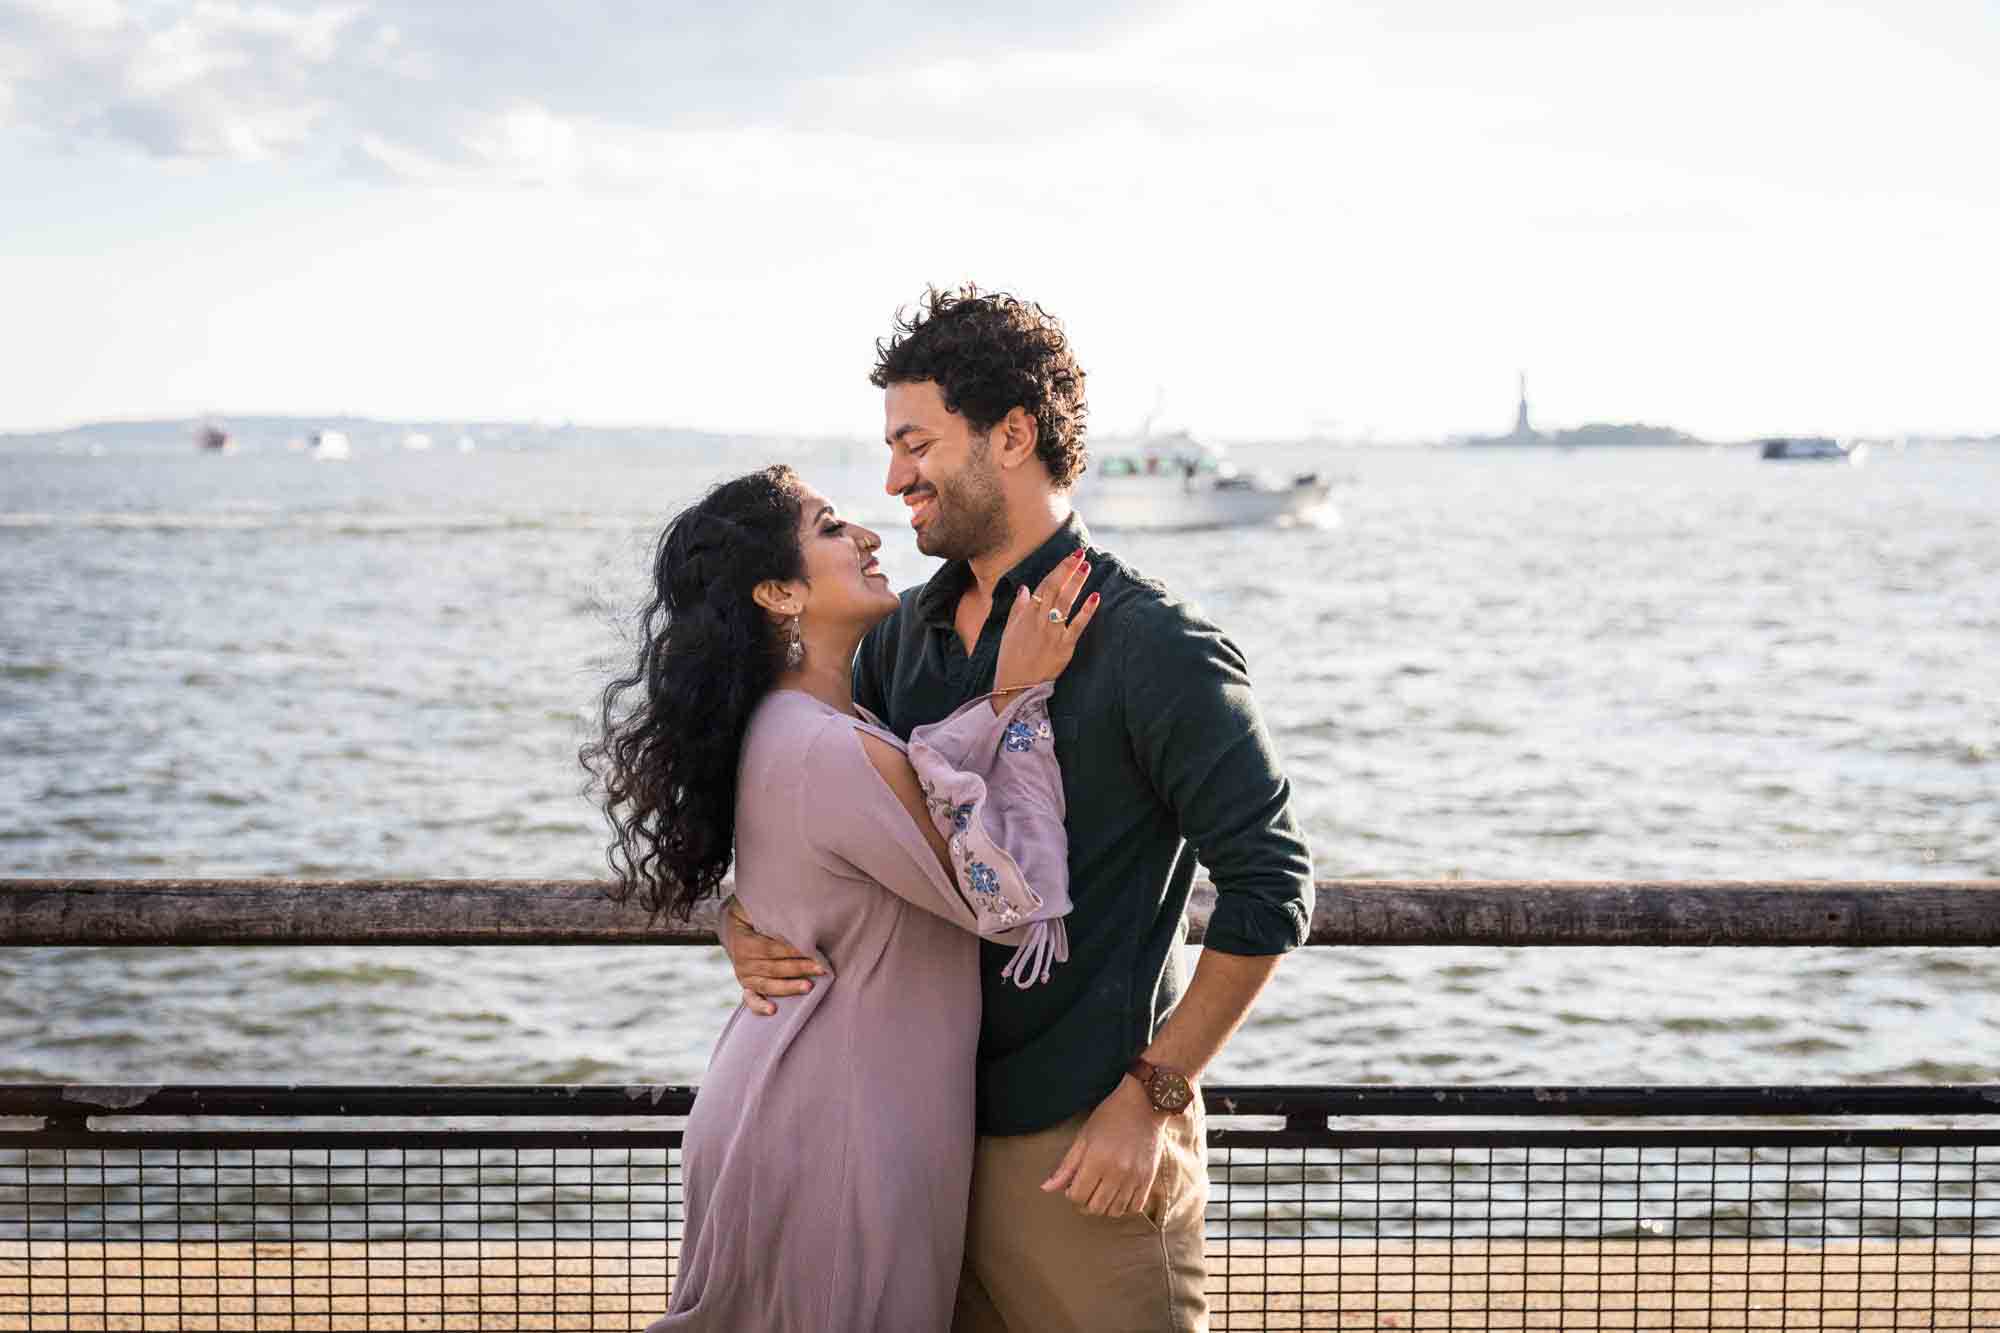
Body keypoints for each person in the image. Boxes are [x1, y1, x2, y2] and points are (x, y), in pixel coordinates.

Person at [722, 287, 1316, 1332]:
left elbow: (1272, 888)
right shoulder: (898, 639)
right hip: (919, 1142)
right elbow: (816, 805)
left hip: (1084, 1152)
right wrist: (738, 913)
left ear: (1010, 434)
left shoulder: (1154, 647)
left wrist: (1153, 1094)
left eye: (915, 442)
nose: (895, 475)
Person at [583, 464, 1101, 1331]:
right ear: (780, 592)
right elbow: (1003, 896)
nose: (866, 534)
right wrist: (1016, 695)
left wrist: (736, 918)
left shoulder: (809, 725)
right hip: (836, 1132)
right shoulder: (823, 746)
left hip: (822, 1107)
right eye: (830, 528)